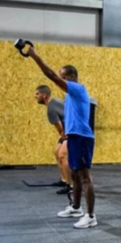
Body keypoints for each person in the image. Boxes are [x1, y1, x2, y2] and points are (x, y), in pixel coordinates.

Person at [26, 45, 97, 229]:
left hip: (83, 137)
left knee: (85, 177)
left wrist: (34, 55)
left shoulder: (78, 89)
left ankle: (91, 216)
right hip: (73, 137)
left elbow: (50, 75)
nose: (61, 81)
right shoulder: (70, 97)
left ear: (72, 77)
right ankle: (76, 208)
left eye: (63, 78)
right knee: (74, 174)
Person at [34, 85, 71, 195]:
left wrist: (64, 137)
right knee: (56, 152)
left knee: (62, 155)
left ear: (44, 95)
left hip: (73, 130)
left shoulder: (51, 108)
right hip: (68, 129)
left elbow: (60, 128)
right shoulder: (55, 102)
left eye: (37, 94)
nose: (35, 96)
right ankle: (64, 180)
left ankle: (71, 185)